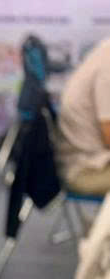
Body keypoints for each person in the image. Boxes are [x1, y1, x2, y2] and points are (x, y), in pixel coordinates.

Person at [56, 37, 110, 196]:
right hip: (87, 170)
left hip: (91, 160)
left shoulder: (104, 52)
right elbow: (108, 136)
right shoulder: (107, 68)